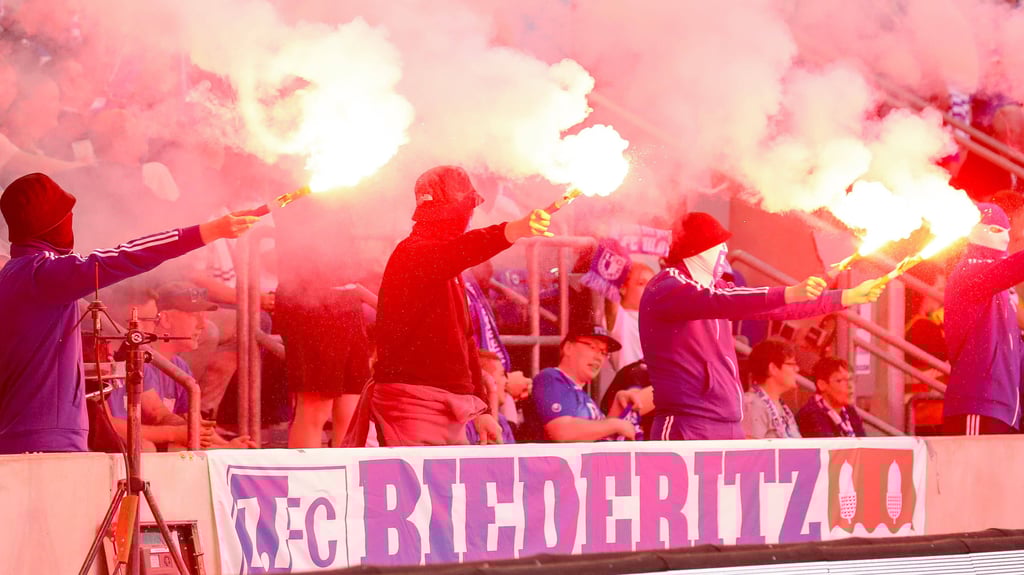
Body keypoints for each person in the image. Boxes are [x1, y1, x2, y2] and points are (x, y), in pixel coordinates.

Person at [0, 172, 257, 454]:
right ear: (49, 222)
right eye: (68, 214)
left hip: (20, 437)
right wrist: (208, 231)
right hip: (47, 443)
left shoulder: (11, 275)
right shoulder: (43, 275)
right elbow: (126, 256)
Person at [343, 165, 551, 447]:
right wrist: (513, 230)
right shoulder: (413, 253)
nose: (469, 215)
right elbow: (460, 250)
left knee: (444, 490)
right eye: (465, 207)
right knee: (417, 488)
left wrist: (481, 410)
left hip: (447, 407)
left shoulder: (443, 263)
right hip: (410, 403)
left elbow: (465, 340)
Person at [639, 211, 885, 441]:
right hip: (687, 424)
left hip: (728, 423)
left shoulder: (715, 289)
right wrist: (788, 292)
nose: (725, 250)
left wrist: (845, 297)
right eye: (718, 243)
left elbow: (776, 307)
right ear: (698, 249)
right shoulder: (666, 287)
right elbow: (720, 302)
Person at [943, 202, 1024, 435]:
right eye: (996, 229)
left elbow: (1012, 349)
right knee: (972, 473)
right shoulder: (968, 271)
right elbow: (1011, 268)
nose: (1006, 237)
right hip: (979, 405)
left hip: (1005, 408)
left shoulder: (999, 284)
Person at [525, 325, 648, 442]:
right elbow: (561, 432)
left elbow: (600, 436)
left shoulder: (583, 395)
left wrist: (618, 408)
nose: (599, 357)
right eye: (592, 347)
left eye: (603, 353)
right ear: (568, 348)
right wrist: (613, 424)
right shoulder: (551, 378)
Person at [741, 339, 801, 439]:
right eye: (791, 364)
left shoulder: (780, 405)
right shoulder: (751, 405)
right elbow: (750, 452)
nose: (797, 369)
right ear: (773, 368)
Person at [796, 356, 866, 438]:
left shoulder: (849, 410)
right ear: (822, 385)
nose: (850, 386)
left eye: (850, 379)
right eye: (840, 380)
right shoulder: (809, 416)